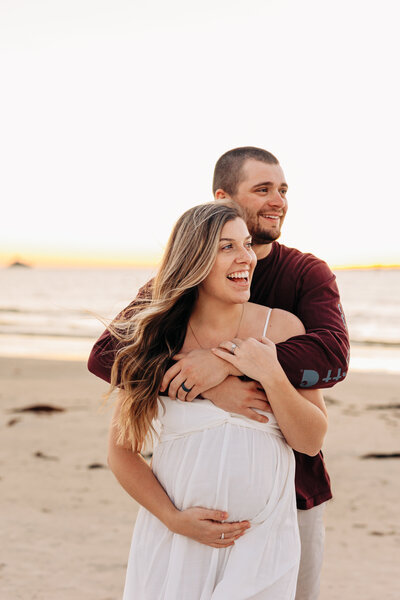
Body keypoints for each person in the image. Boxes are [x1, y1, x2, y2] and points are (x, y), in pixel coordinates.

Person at [88, 147, 350, 600]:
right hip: (182, 526)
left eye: (283, 189)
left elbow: (333, 356)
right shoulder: (165, 315)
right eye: (262, 189)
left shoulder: (301, 283)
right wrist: (213, 390)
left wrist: (229, 364)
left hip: (287, 502)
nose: (278, 200)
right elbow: (108, 357)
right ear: (224, 198)